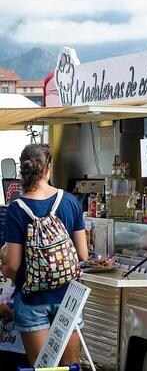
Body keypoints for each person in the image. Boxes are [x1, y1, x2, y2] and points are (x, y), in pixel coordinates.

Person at [0, 143, 88, 366]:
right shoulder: (70, 201)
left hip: (31, 301)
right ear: (48, 167)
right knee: (70, 366)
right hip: (68, 297)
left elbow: (13, 263)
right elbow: (83, 254)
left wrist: (6, 271)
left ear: (23, 169)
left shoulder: (17, 208)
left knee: (43, 367)